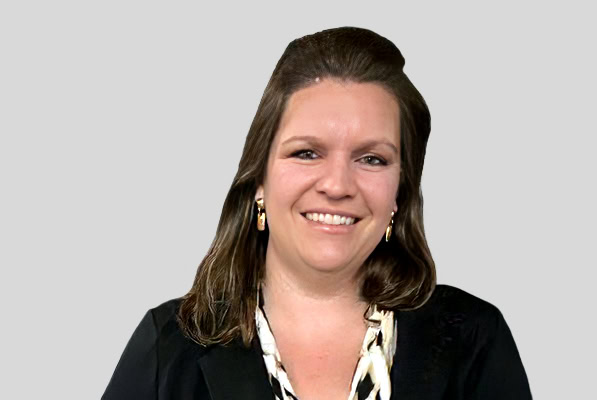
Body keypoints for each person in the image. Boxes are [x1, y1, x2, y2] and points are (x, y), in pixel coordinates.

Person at [102, 26, 532, 400]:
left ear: (399, 192)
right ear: (259, 181)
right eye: (306, 153)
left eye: (372, 159)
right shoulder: (170, 347)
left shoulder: (474, 342)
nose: (338, 185)